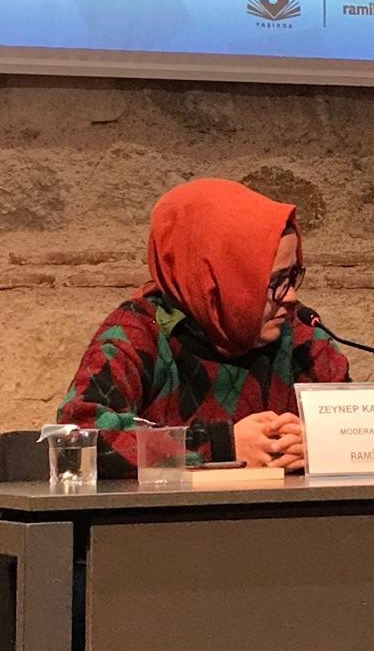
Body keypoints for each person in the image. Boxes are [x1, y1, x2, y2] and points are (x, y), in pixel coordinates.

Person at [57, 177, 349, 478]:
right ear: (218, 279)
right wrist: (221, 445)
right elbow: (77, 438)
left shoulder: (299, 334)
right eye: (275, 281)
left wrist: (322, 442)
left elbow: (363, 428)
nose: (290, 296)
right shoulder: (140, 332)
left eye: (293, 275)